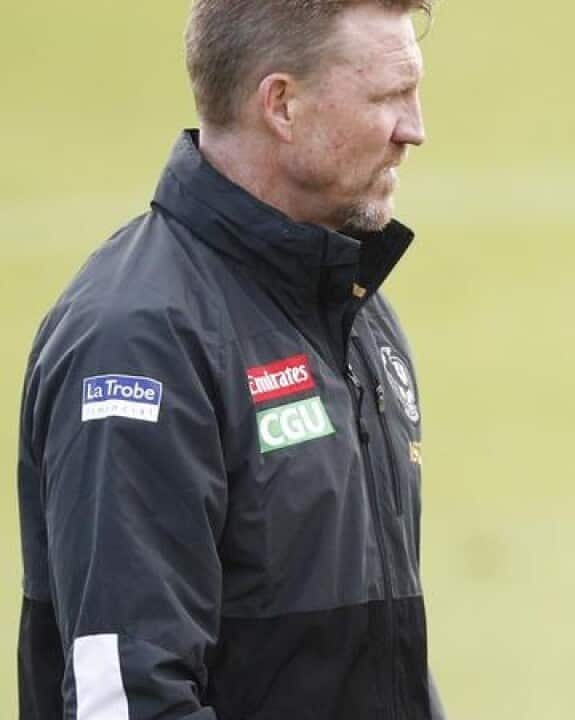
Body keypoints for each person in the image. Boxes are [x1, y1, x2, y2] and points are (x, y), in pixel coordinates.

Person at [17, 2, 446, 718]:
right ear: (281, 104)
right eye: (387, 97)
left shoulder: (354, 313)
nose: (415, 128)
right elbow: (128, 699)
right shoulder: (138, 344)